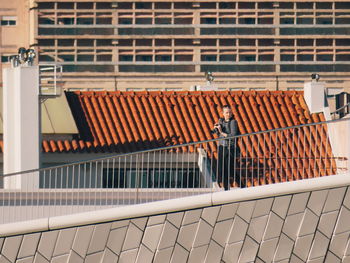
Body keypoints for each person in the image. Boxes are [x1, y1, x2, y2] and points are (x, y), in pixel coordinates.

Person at [212, 105, 239, 190]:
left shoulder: (233, 122)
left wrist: (222, 132)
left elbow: (233, 135)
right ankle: (226, 188)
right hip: (221, 147)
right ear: (223, 113)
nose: (228, 114)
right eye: (226, 112)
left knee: (229, 168)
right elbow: (217, 134)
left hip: (229, 148)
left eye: (230, 112)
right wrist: (216, 129)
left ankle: (240, 184)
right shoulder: (221, 121)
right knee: (222, 168)